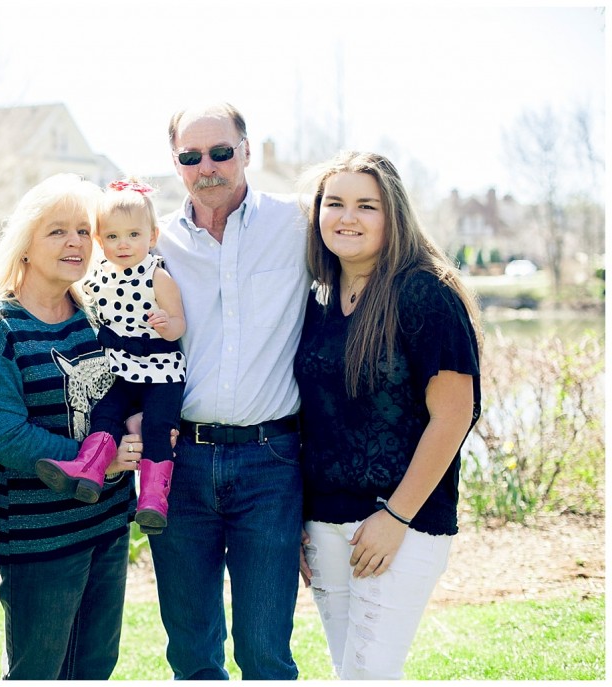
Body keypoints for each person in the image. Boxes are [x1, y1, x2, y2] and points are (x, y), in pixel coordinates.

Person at [294, 151, 482, 679]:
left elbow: (454, 416)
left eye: (366, 205)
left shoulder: (426, 292)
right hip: (323, 523)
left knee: (368, 674)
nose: (347, 217)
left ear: (392, 215)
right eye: (334, 203)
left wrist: (395, 517)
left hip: (402, 521)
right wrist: (299, 522)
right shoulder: (318, 298)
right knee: (351, 669)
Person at [148, 102, 312, 680]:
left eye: (221, 152)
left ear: (247, 150)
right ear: (176, 163)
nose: (208, 167)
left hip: (271, 463)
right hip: (180, 464)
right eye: (191, 157)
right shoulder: (153, 242)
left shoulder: (297, 225)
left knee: (266, 652)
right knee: (192, 653)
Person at [0, 173, 140, 680]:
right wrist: (99, 460)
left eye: (84, 231)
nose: (76, 243)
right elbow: (1, 434)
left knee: (94, 669)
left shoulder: (94, 315)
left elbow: (125, 389)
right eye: (57, 231)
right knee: (38, 673)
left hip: (106, 523)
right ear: (25, 244)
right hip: (41, 538)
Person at [35, 178, 186, 535]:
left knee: (158, 428)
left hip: (161, 370)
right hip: (119, 368)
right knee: (106, 414)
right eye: (113, 237)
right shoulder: (98, 276)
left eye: (134, 235)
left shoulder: (157, 275)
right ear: (100, 241)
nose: (123, 244)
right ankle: (90, 468)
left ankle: (152, 498)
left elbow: (179, 324)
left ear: (152, 236)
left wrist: (167, 325)